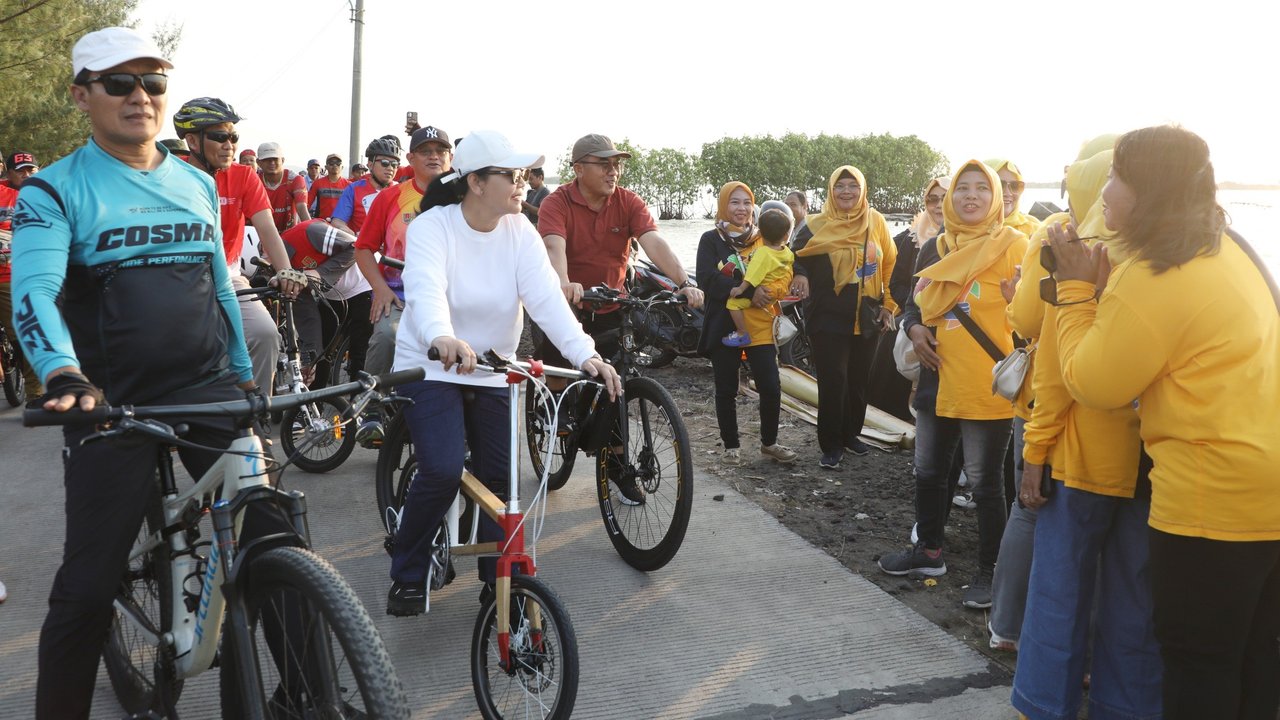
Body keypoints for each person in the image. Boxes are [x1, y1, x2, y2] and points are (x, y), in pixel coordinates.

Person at [9, 27, 269, 718]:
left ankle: (307, 695)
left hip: (207, 384)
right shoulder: (52, 191)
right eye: (118, 82)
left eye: (152, 81)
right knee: (88, 589)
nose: (139, 96)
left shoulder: (196, 183)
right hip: (106, 401)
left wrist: (245, 377)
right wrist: (62, 374)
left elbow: (220, 285)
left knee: (273, 541)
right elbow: (32, 291)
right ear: (81, 94)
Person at [1048, 125, 1280, 720]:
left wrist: (1075, 292)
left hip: (1208, 505)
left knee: (1197, 668)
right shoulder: (1229, 248)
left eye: (1119, 177)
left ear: (1148, 191)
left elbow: (1094, 384)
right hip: (1265, 494)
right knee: (1254, 664)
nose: (1107, 191)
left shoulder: (1154, 273)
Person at [385, 130, 621, 616]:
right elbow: (425, 288)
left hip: (493, 369)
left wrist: (586, 355)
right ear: (475, 182)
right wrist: (441, 336)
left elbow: (546, 301)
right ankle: (407, 570)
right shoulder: (434, 228)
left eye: (521, 176)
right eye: (510, 176)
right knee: (444, 468)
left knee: (501, 481)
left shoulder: (519, 231)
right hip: (430, 366)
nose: (522, 185)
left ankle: (501, 583)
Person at [1004, 145, 1163, 720]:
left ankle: (1045, 706)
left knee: (1060, 598)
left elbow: (1055, 370)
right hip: (1152, 465)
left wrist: (1034, 452)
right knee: (1134, 603)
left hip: (1083, 463)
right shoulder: (1160, 260)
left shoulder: (1072, 255)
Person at [881, 160, 1028, 611]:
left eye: (981, 189)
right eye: (962, 188)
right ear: (949, 199)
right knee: (928, 471)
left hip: (987, 383)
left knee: (985, 485)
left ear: (997, 198)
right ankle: (929, 552)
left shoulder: (1015, 245)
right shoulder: (934, 248)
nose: (970, 196)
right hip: (936, 378)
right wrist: (914, 329)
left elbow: (1033, 321)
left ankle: (991, 572)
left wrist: (1016, 299)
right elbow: (912, 305)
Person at [988, 138, 1114, 653]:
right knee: (1102, 535)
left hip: (1046, 394)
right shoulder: (1139, 246)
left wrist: (1016, 295)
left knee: (1029, 510)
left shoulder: (1053, 233)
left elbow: (1026, 320)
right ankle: (1082, 644)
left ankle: (1006, 626)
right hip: (1110, 416)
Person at [536, 133, 703, 369]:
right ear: (579, 169)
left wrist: (685, 283)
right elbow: (554, 246)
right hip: (569, 302)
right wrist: (563, 282)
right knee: (559, 374)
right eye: (604, 165)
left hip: (612, 303)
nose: (613, 171)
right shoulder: (556, 202)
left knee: (615, 378)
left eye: (616, 164)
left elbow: (654, 242)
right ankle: (553, 404)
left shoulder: (629, 202)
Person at [174, 97, 307, 392]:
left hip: (230, 277)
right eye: (220, 137)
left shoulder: (244, 176)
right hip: (178, 277)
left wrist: (286, 270)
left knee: (264, 334)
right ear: (193, 141)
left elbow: (267, 228)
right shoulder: (171, 173)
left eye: (233, 137)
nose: (229, 144)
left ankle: (252, 414)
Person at [791, 165, 898, 468]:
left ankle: (851, 434)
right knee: (833, 380)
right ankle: (831, 444)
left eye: (853, 185)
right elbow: (794, 256)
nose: (847, 192)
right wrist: (800, 276)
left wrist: (890, 305)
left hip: (867, 315)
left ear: (863, 190)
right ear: (831, 191)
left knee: (860, 380)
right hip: (827, 315)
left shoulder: (875, 221)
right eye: (840, 186)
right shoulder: (814, 224)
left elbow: (890, 263)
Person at [696, 183, 797, 466]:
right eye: (734, 203)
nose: (741, 209)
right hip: (724, 325)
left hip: (761, 325)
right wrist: (751, 291)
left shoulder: (764, 238)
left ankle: (770, 443)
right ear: (724, 206)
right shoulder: (710, 240)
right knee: (726, 388)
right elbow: (706, 278)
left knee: (771, 386)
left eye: (746, 203)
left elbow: (788, 263)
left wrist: (788, 283)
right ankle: (731, 445)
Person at [354, 125, 453, 378]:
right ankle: (371, 406)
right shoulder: (390, 197)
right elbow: (364, 248)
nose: (434, 156)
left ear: (450, 157)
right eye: (425, 151)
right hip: (400, 296)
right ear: (410, 159)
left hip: (452, 297)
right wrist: (380, 288)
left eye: (441, 150)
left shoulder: (466, 196)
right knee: (388, 337)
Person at [869, 176, 949, 422]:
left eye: (945, 198)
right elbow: (897, 283)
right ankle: (888, 419)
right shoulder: (911, 238)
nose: (938, 206)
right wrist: (918, 309)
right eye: (932, 199)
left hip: (954, 321)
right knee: (889, 348)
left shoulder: (972, 241)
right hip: (917, 315)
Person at [723, 208, 794, 347]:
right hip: (773, 296)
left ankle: (742, 333)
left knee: (732, 303)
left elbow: (753, 275)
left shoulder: (762, 253)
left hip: (761, 292)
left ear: (760, 234)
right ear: (786, 236)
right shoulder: (787, 252)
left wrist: (741, 289)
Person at [256, 141, 311, 232]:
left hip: (290, 235)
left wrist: (310, 231)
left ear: (282, 160)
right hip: (262, 234)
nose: (272, 163)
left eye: (275, 159)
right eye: (267, 159)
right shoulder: (255, 181)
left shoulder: (295, 179)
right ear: (258, 162)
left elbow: (302, 208)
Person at [308, 153, 350, 220]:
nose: (335, 165)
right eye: (331, 163)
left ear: (342, 167)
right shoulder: (318, 183)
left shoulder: (349, 185)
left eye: (338, 163)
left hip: (342, 224)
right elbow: (307, 203)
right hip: (322, 224)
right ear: (326, 167)